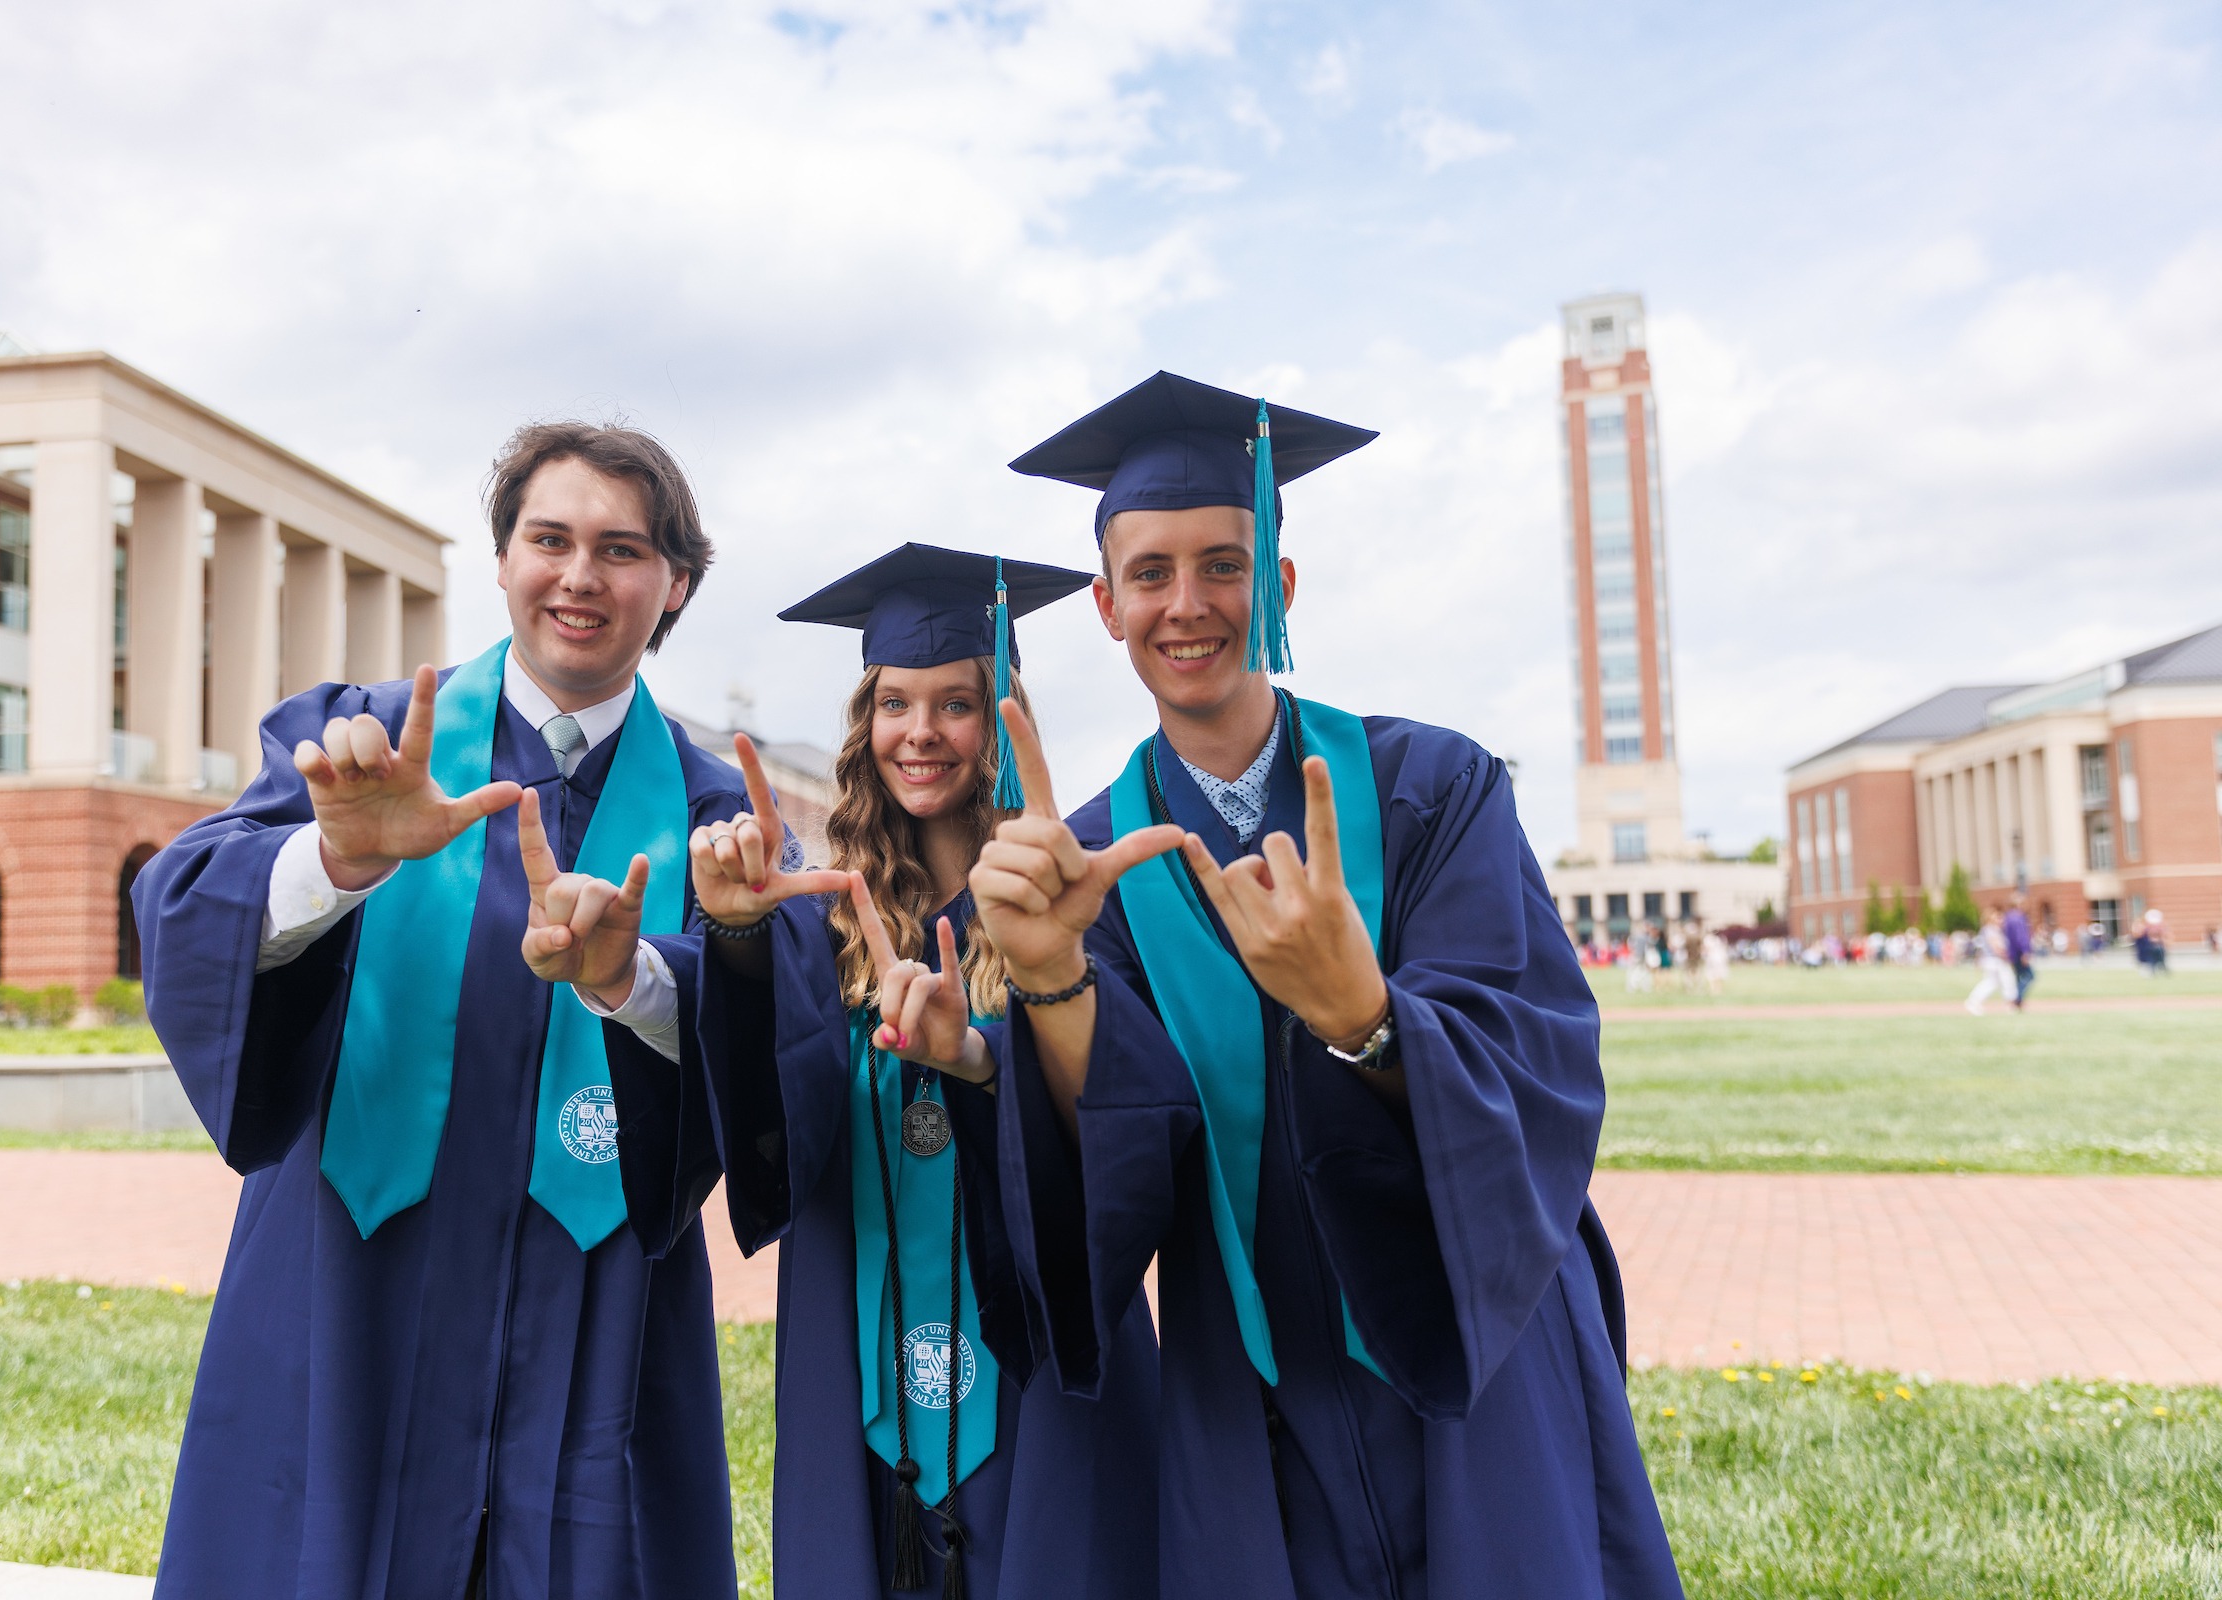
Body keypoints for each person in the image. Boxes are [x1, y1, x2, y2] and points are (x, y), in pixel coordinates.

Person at [973, 372, 1683, 1597]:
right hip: (1250, 1365)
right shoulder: (1094, 859)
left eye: (1224, 566)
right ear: (1103, 604)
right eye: (1149, 573)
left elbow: (1540, 1047)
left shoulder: (1432, 788)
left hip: (1473, 1324)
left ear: (1281, 586)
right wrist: (1051, 982)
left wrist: (1364, 1017)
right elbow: (1126, 1142)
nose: (1186, 605)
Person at [131, 422, 759, 1599]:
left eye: (622, 550)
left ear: (674, 582)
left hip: (599, 1299)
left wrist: (639, 979)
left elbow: (769, 1043)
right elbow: (180, 900)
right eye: (550, 538)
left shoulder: (717, 806)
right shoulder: (366, 741)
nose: (580, 576)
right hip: (352, 1273)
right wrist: (334, 859)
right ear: (504, 557)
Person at [546, 544, 1162, 1599]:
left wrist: (979, 1055)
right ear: (863, 726)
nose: (921, 732)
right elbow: (757, 1099)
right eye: (894, 703)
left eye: (956, 704)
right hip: (854, 1328)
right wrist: (737, 942)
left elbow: (1124, 1108)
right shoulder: (817, 913)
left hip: (1033, 1338)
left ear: (1001, 725)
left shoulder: (1066, 904)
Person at [1965, 917, 2014, 1016]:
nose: (2001, 919)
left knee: (1993, 982)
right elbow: (1996, 947)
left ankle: (1974, 1002)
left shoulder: (1988, 930)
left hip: (1993, 960)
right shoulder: (1990, 930)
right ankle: (2010, 1004)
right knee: (2005, 980)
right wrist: (2007, 955)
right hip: (1995, 960)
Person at [2002, 901, 2035, 1009]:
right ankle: (2017, 999)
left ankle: (2016, 1000)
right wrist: (2025, 951)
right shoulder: (2018, 918)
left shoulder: (2007, 918)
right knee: (2030, 975)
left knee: (2017, 977)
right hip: (2019, 953)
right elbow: (2021, 937)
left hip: (2012, 953)